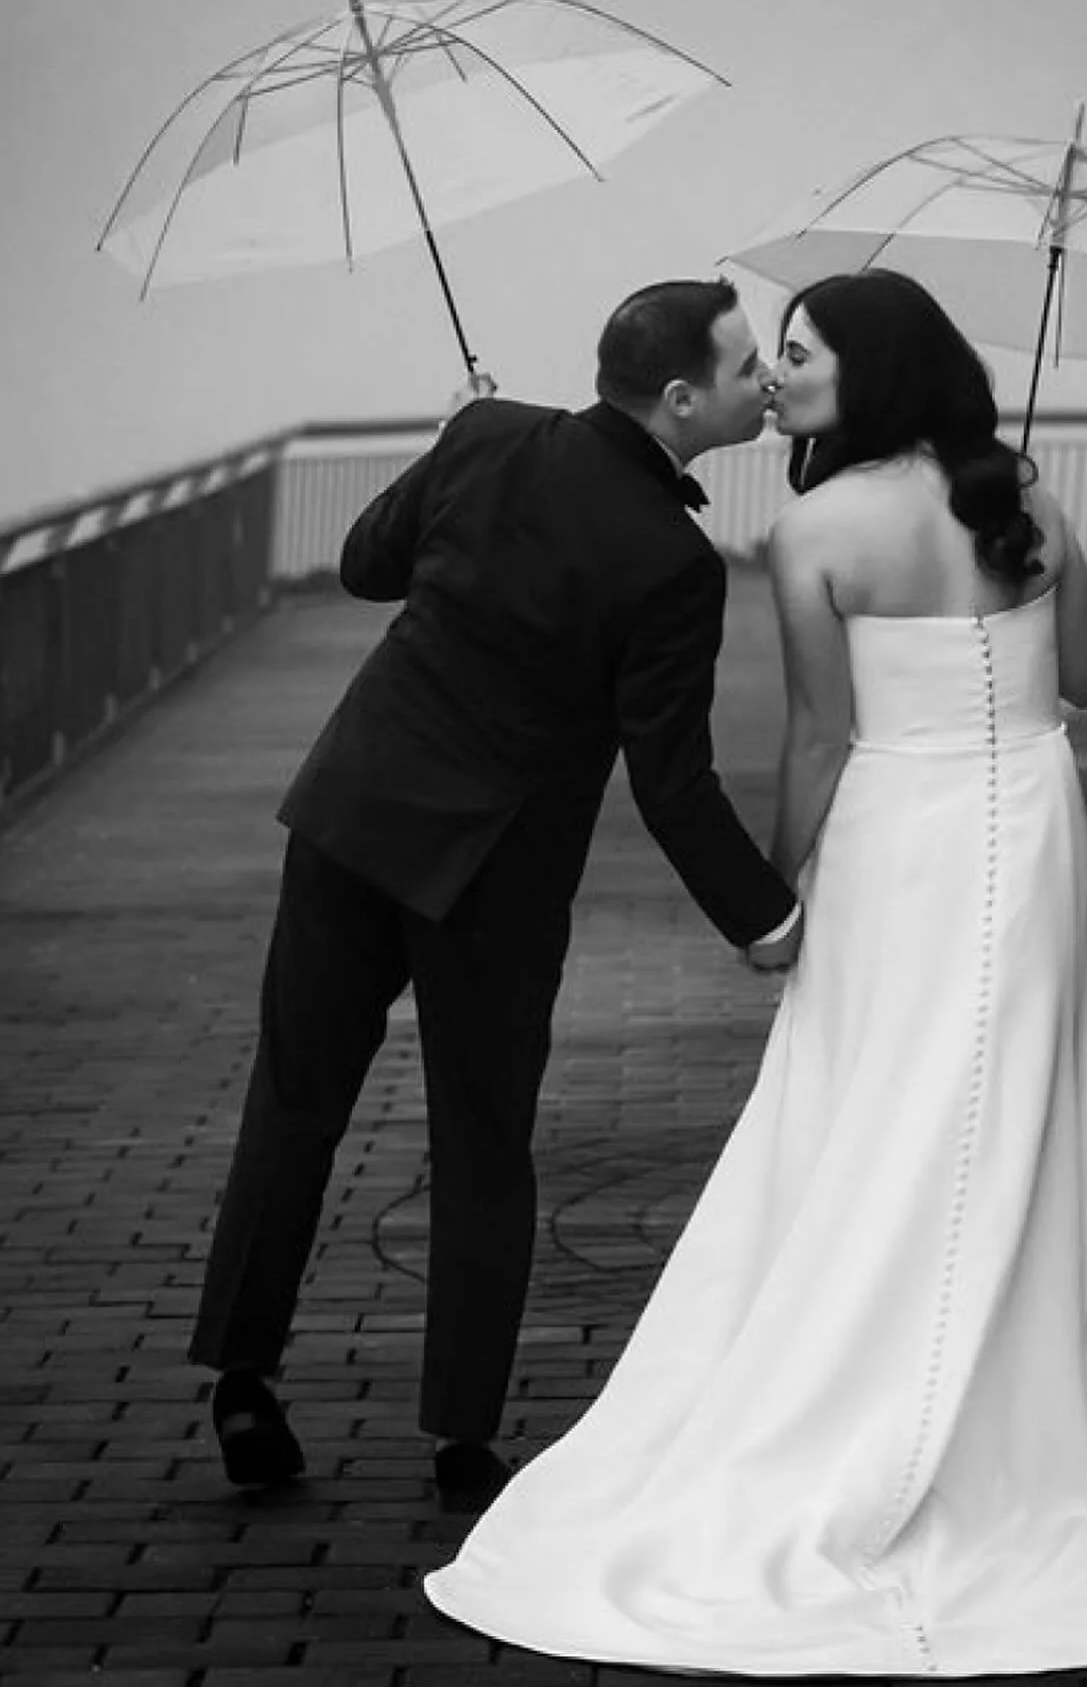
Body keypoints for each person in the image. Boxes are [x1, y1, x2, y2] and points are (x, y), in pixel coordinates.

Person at [423, 270, 1087, 1675]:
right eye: (771, 356)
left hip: (897, 842)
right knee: (1004, 1109)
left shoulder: (812, 528)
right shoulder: (1028, 497)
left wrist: (784, 898)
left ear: (874, 372)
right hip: (1032, 830)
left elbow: (815, 739)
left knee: (870, 1110)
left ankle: (862, 1384)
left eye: (797, 354)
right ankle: (993, 1380)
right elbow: (1085, 678)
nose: (777, 375)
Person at [189, 277, 802, 1506]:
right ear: (682, 401)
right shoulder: (674, 565)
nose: (767, 387)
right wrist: (766, 918)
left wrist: (448, 446)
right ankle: (461, 1438)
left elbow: (370, 565)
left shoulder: (487, 434)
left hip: (353, 815)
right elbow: (670, 782)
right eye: (748, 372)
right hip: (495, 881)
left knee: (295, 1103)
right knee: (483, 1151)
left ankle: (243, 1386)